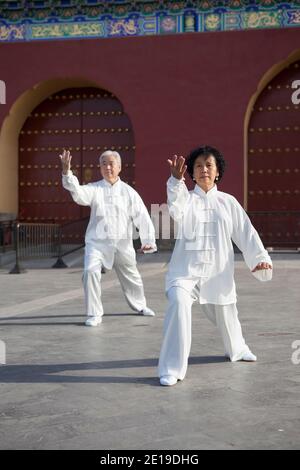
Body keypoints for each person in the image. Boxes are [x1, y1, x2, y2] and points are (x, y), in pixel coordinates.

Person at [158, 145, 273, 386]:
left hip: (217, 273)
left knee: (228, 315)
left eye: (209, 165)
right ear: (191, 172)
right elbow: (175, 211)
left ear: (218, 171)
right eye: (198, 166)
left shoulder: (228, 202)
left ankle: (238, 350)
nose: (203, 170)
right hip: (185, 273)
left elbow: (245, 232)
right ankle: (171, 368)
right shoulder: (186, 199)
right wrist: (175, 182)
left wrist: (259, 258)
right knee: (178, 304)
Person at [60, 149, 157, 326]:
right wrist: (67, 173)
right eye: (103, 164)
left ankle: (141, 306)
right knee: (90, 271)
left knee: (132, 277)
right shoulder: (95, 189)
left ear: (119, 167)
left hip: (122, 244)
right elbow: (78, 193)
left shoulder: (129, 192)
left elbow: (142, 216)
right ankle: (94, 313)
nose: (107, 167)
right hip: (97, 244)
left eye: (111, 163)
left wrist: (148, 240)